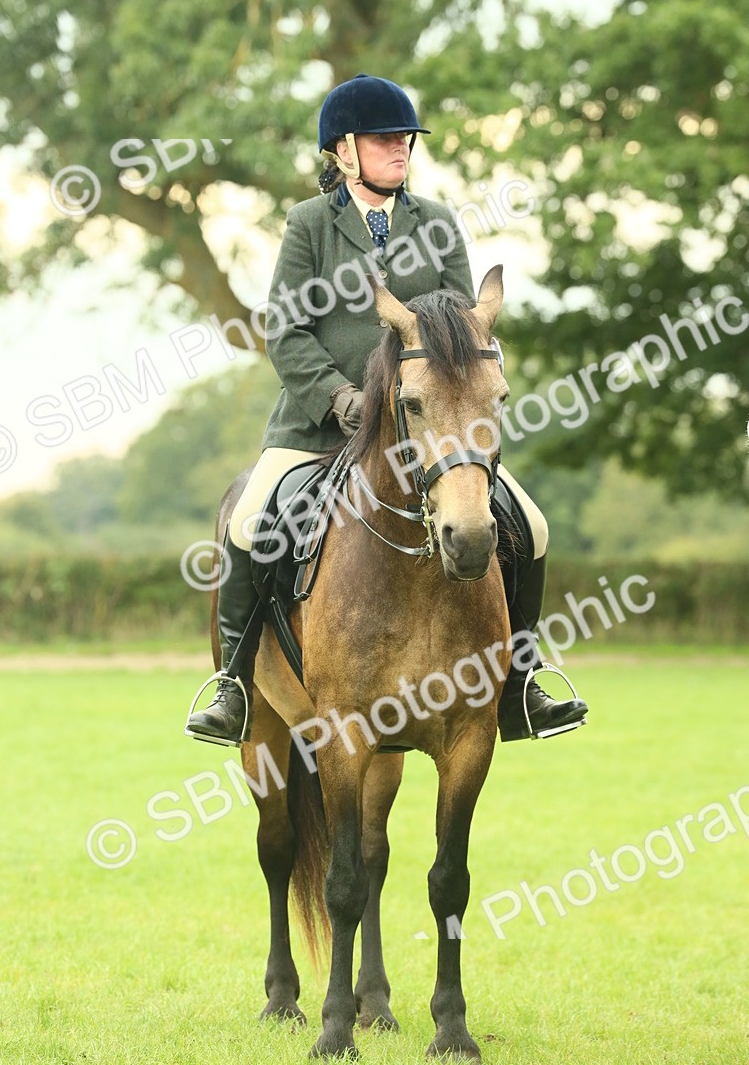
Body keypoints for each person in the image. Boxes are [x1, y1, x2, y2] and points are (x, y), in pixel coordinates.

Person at [187, 73, 588, 746]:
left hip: (429, 429)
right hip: (320, 427)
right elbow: (286, 331)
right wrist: (337, 395)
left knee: (534, 527)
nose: (400, 147)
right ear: (343, 151)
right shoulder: (309, 224)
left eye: (404, 137)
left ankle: (520, 682)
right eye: (383, 139)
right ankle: (233, 684)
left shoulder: (437, 223)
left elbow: (463, 324)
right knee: (251, 525)